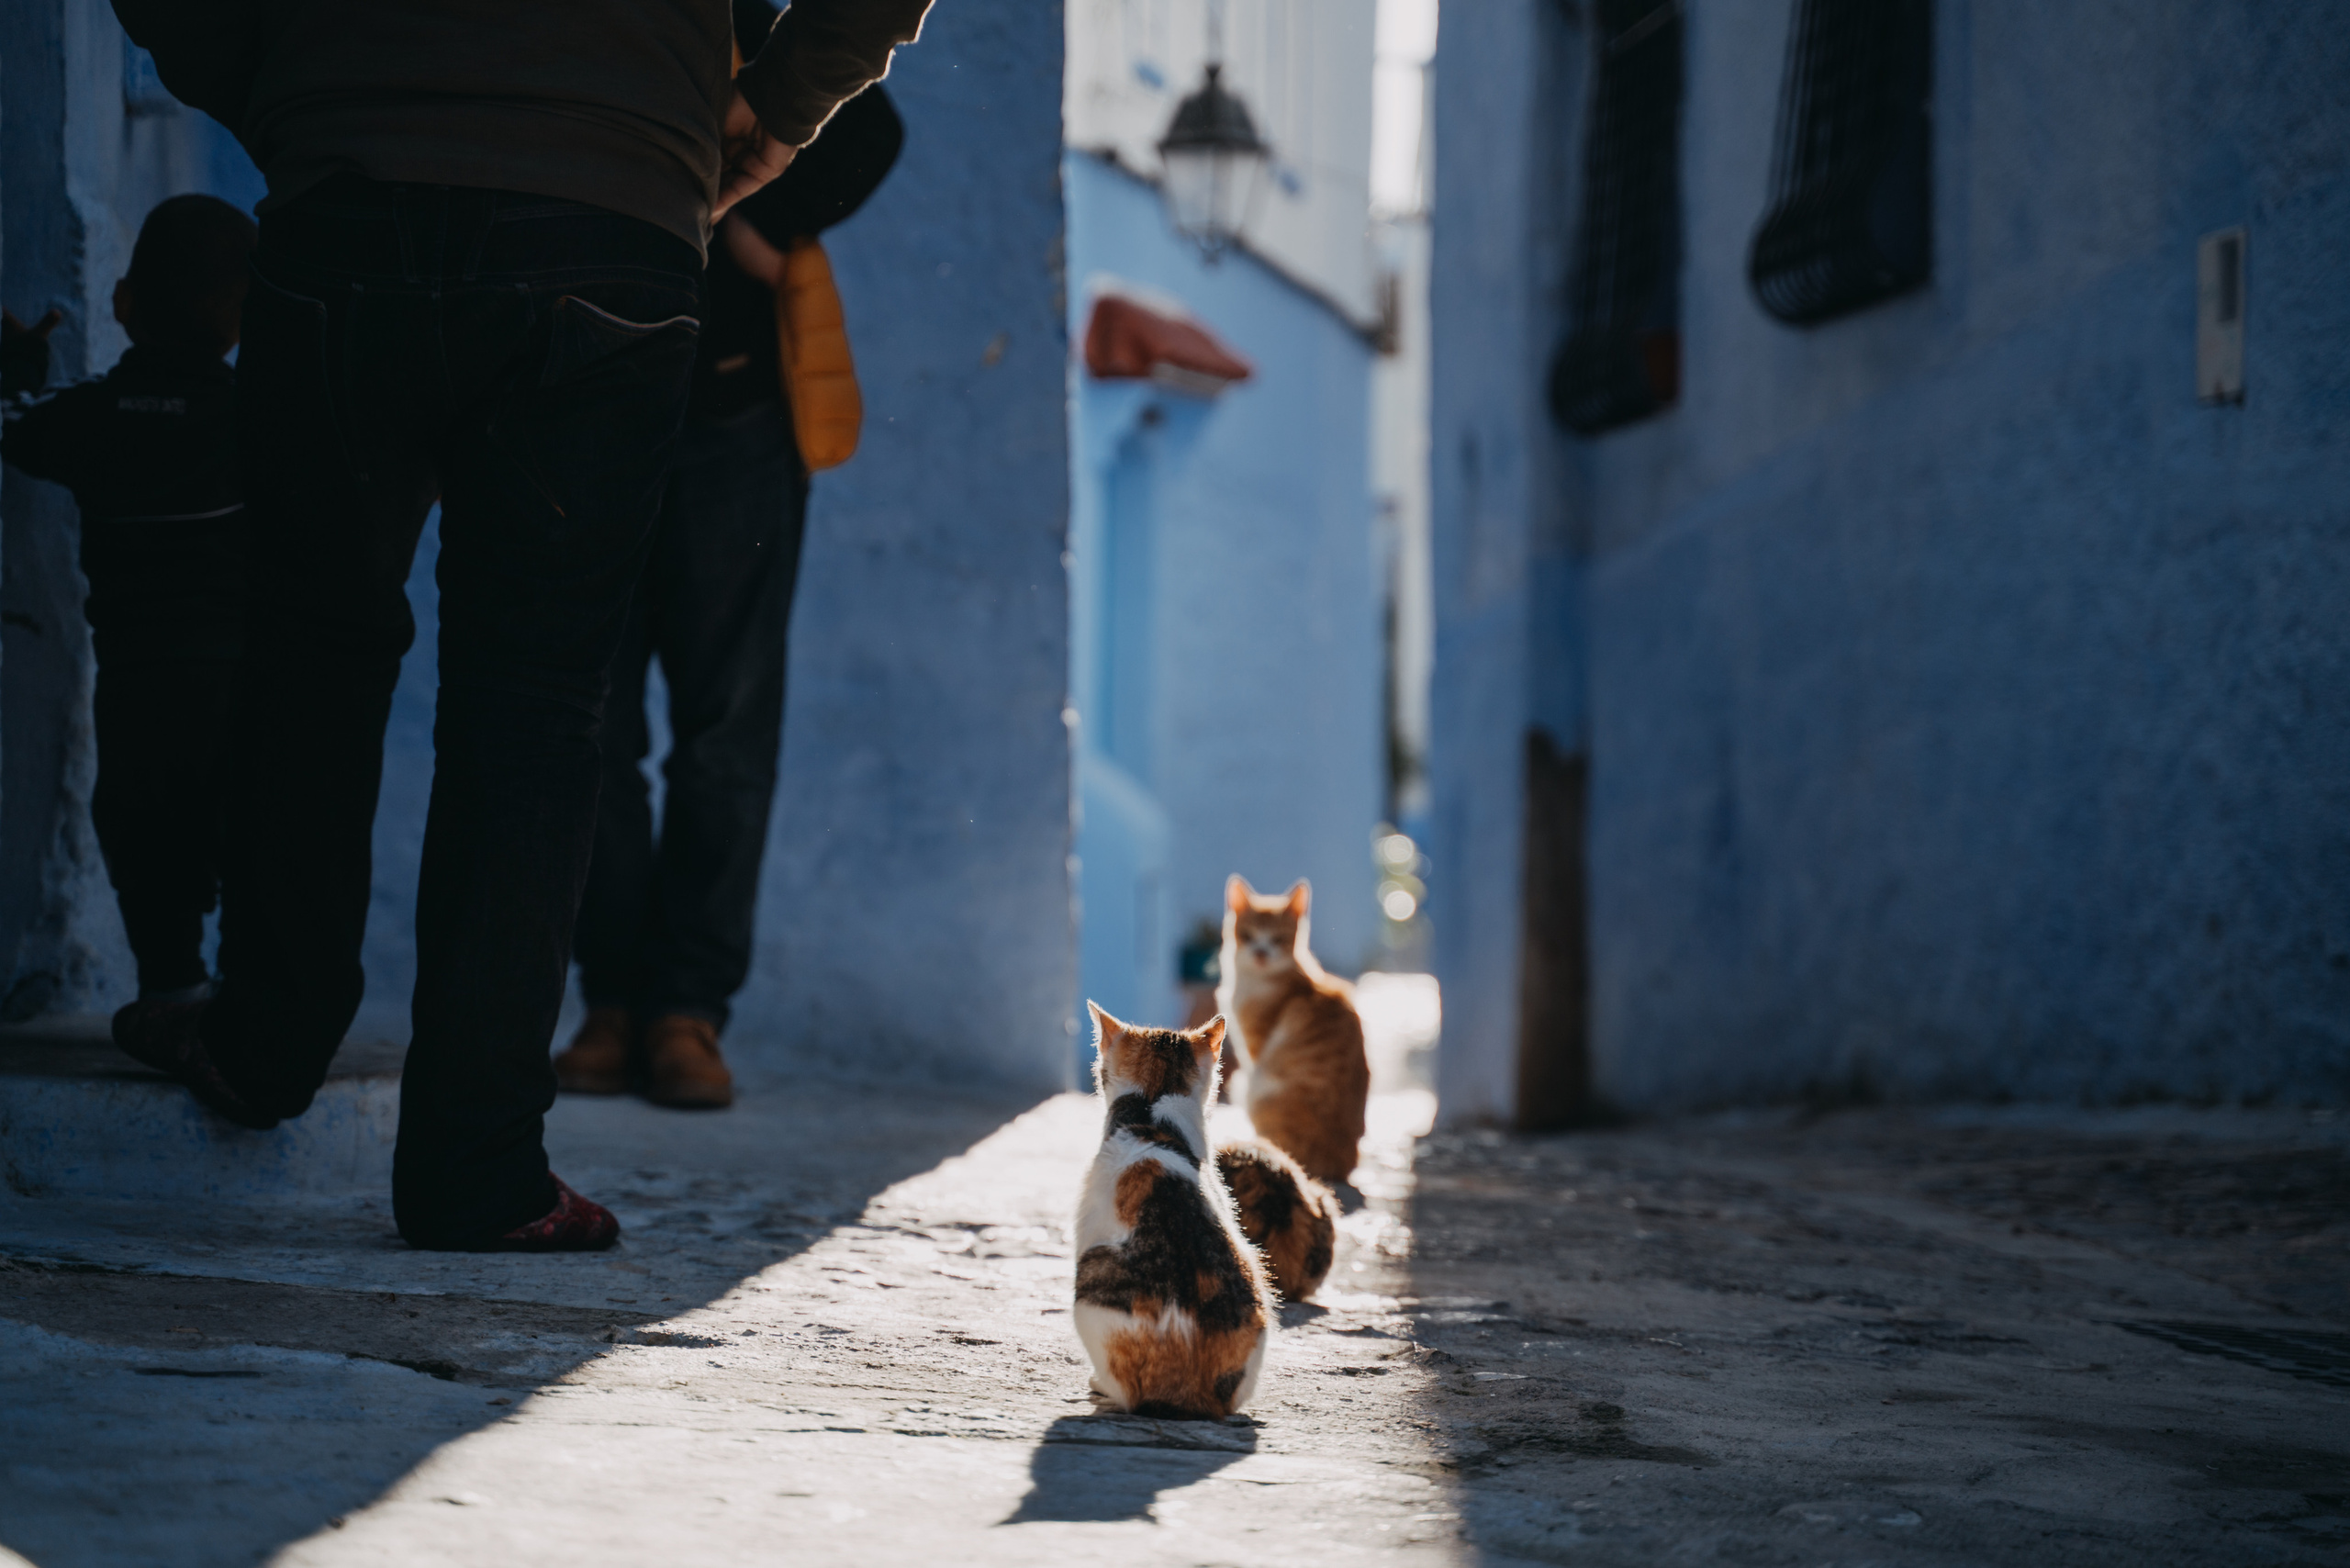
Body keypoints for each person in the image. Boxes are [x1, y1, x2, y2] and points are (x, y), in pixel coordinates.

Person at [111, 0, 934, 1253]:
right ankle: (475, 1162)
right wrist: (764, 126)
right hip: (612, 228)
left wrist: (274, 86)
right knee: (540, 709)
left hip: (351, 200)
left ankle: (265, 1042)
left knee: (308, 652)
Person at [558, 31, 904, 1110]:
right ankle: (611, 1004)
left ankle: (687, 1011)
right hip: (580, 410)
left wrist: (756, 224)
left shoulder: (740, 25)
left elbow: (870, 125)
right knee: (588, 723)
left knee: (726, 734)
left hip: (735, 418)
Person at [0, 196, 257, 1028]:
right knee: (254, 832)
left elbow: (14, 426)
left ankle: (171, 989)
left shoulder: (89, 420)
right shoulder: (262, 425)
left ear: (123, 304)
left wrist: (17, 370)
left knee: (146, 829)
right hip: (244, 680)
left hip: (141, 682)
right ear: (246, 319)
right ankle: (257, 997)